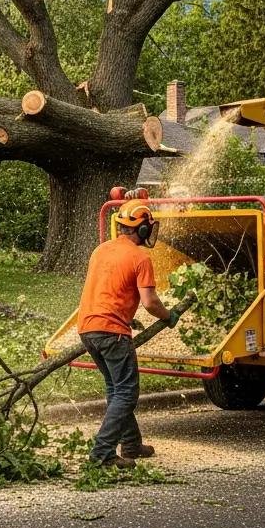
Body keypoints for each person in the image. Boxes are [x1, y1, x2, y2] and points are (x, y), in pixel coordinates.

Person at [77, 199, 179, 470]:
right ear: (143, 230)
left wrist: (125, 314)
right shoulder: (140, 257)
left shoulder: (101, 250)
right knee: (126, 392)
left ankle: (132, 445)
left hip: (87, 328)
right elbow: (150, 302)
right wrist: (169, 316)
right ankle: (102, 453)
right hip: (112, 333)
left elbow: (108, 290)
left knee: (115, 389)